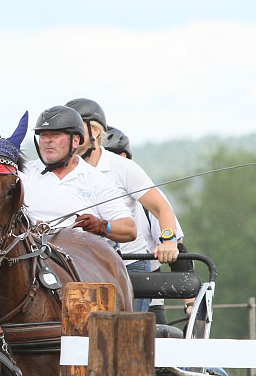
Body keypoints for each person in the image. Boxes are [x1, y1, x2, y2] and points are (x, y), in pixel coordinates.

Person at [66, 98, 181, 312]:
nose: (69, 136)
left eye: (75, 129)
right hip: (82, 265)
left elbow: (161, 208)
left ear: (95, 132)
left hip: (129, 263)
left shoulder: (123, 168)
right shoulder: (63, 171)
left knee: (123, 335)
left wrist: (168, 240)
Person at [22, 105, 136, 244]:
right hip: (29, 255)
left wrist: (101, 226)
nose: (47, 140)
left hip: (80, 258)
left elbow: (129, 230)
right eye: (43, 135)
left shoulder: (97, 180)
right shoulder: (23, 173)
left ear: (75, 141)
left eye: (56, 134)